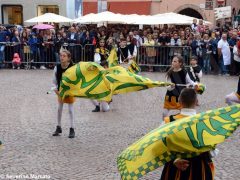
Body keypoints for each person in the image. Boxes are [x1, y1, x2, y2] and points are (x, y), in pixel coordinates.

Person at [161, 88, 215, 180]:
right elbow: (212, 152)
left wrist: (174, 159)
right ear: (197, 102)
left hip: (174, 168)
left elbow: (160, 145)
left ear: (179, 101)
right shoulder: (206, 122)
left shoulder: (168, 122)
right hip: (199, 170)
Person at [52, 49, 76, 138]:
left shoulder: (72, 68)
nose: (61, 57)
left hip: (70, 91)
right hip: (60, 91)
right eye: (61, 55)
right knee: (59, 109)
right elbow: (54, 82)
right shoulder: (57, 67)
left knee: (70, 110)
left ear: (68, 58)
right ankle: (58, 127)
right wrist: (57, 91)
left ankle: (72, 128)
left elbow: (76, 81)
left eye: (64, 56)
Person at [92, 39, 110, 112]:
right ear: (99, 43)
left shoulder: (106, 50)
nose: (102, 43)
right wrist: (104, 62)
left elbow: (109, 59)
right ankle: (97, 105)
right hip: (99, 69)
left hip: (106, 69)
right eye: (101, 42)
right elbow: (97, 61)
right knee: (96, 87)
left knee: (105, 85)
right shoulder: (97, 50)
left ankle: (106, 101)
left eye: (103, 42)